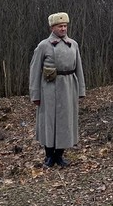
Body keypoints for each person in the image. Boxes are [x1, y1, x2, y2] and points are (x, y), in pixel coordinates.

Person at [29, 12, 86, 168]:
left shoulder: (73, 44)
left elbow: (78, 68)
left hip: (68, 87)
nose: (63, 28)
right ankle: (49, 155)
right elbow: (34, 71)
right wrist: (35, 94)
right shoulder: (43, 46)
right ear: (52, 27)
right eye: (60, 26)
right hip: (49, 88)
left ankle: (60, 155)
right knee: (49, 122)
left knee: (65, 122)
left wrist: (81, 89)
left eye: (65, 26)